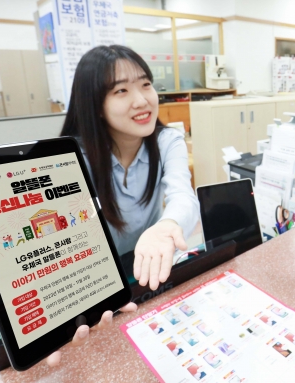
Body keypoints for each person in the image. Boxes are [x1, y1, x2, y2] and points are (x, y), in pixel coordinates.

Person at [47, 44, 200, 366]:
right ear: (96, 105)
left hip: (150, 274)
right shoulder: (70, 159)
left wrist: (166, 227)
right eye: (121, 90)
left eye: (145, 84)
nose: (142, 100)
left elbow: (183, 196)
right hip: (94, 287)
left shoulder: (166, 140)